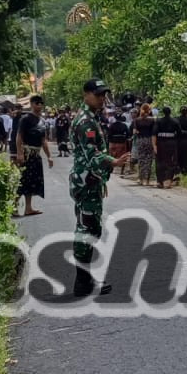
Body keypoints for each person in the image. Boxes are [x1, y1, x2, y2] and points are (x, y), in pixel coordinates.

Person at [69, 79, 130, 297]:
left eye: (104, 94)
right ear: (86, 94)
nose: (102, 98)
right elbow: (92, 155)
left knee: (90, 228)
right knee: (86, 229)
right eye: (98, 94)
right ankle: (82, 282)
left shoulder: (91, 118)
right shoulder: (86, 121)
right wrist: (113, 162)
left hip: (89, 180)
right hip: (87, 182)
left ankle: (84, 280)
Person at [14, 95, 53, 216]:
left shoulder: (42, 121)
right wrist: (20, 153)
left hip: (36, 155)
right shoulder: (25, 119)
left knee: (32, 181)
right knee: (23, 180)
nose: (39, 105)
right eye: (37, 103)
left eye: (41, 103)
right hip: (27, 153)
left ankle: (28, 208)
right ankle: (13, 207)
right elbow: (19, 137)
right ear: (31, 104)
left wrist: (49, 156)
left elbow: (44, 141)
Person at [153, 107, 180, 188]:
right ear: (170, 112)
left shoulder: (159, 121)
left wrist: (154, 145)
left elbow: (154, 133)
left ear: (163, 112)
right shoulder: (175, 121)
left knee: (159, 161)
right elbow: (179, 133)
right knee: (170, 161)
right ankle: (168, 180)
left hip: (160, 142)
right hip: (171, 143)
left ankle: (160, 181)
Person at [131, 104, 157, 186]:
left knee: (141, 159)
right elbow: (154, 132)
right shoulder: (153, 120)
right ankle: (147, 180)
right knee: (148, 160)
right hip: (149, 140)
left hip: (140, 140)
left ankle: (141, 179)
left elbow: (134, 132)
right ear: (149, 110)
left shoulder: (137, 120)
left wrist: (139, 132)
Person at [106, 107, 131, 176]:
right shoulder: (124, 125)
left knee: (111, 156)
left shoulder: (112, 125)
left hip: (113, 143)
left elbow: (109, 134)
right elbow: (128, 134)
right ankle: (121, 172)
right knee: (123, 156)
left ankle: (111, 170)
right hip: (121, 142)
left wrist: (109, 142)